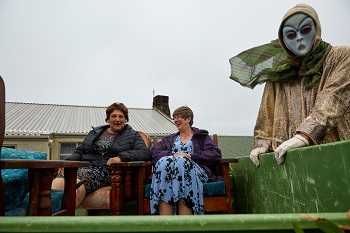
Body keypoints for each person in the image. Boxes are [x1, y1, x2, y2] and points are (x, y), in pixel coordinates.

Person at [229, 3, 350, 167]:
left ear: (316, 29)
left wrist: (305, 135)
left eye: (306, 30)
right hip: (291, 158)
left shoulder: (341, 57)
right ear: (283, 40)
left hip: (336, 154)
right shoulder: (280, 71)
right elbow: (267, 110)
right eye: (291, 34)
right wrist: (262, 144)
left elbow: (333, 99)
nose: (299, 37)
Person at [51, 102, 151, 207]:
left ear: (125, 119)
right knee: (60, 180)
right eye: (113, 116)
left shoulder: (133, 135)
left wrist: (121, 157)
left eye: (121, 116)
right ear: (108, 118)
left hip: (108, 172)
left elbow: (145, 153)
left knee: (76, 181)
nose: (117, 119)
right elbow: (79, 151)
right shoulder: (94, 133)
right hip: (85, 167)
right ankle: (50, 214)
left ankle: (63, 216)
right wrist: (66, 163)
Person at [150, 106, 222, 215]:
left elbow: (215, 153)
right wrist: (174, 155)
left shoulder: (201, 137)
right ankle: (165, 222)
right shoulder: (170, 139)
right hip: (171, 174)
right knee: (164, 161)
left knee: (182, 161)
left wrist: (191, 156)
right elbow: (154, 153)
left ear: (188, 119)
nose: (176, 120)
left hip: (197, 172)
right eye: (174, 118)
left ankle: (186, 221)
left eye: (179, 117)